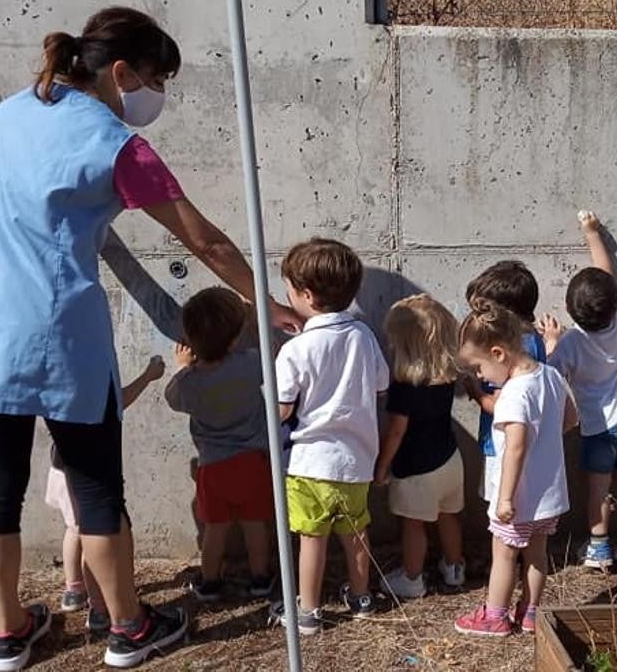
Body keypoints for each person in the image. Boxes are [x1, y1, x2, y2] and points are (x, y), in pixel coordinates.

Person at [0, 6, 301, 671]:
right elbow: (204, 239)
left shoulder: (11, 111)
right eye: (156, 78)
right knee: (97, 488)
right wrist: (264, 303)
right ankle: (129, 627)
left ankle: (9, 633)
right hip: (60, 337)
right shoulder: (114, 143)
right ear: (122, 71)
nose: (155, 95)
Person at [272, 239, 389, 635]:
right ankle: (361, 598)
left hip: (309, 462)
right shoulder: (364, 336)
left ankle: (308, 611)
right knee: (356, 533)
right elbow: (380, 386)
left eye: (288, 288)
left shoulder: (295, 349)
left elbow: (282, 408)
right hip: (357, 458)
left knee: (312, 537)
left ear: (305, 295)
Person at [454, 300, 576, 637]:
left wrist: (504, 498)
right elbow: (571, 419)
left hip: (518, 498)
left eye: (478, 368)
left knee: (505, 555)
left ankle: (495, 616)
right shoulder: (550, 375)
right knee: (537, 553)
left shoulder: (513, 394)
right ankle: (531, 612)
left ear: (498, 353)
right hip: (548, 494)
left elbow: (516, 447)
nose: (480, 376)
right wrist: (547, 440)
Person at [538, 211, 617, 569]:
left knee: (598, 487)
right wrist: (592, 232)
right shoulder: (615, 323)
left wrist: (551, 341)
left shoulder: (569, 344)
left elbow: (551, 376)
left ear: (570, 310)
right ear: (615, 305)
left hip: (596, 428)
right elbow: (605, 269)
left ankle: (599, 545)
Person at [164, 287, 276, 603]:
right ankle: (261, 578)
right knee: (256, 525)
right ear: (234, 338)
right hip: (253, 461)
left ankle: (210, 581)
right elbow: (267, 354)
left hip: (212, 466)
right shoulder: (252, 363)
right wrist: (251, 323)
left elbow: (172, 398)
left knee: (215, 529)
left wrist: (183, 367)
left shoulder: (189, 383)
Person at [45, 357, 165, 635]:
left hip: (61, 469)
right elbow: (120, 400)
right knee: (93, 531)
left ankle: (74, 589)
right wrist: (148, 376)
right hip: (83, 474)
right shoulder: (92, 374)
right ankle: (99, 607)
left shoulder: (59, 376)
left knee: (74, 529)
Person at [375, 294, 467, 599]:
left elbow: (396, 433)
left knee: (414, 525)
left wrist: (382, 467)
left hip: (417, 469)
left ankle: (412, 578)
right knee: (448, 515)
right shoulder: (446, 378)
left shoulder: (404, 388)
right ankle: (454, 567)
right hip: (450, 460)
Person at [462, 262, 549, 506]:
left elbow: (503, 406)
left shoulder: (514, 351)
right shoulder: (534, 340)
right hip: (531, 447)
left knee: (503, 510)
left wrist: (476, 392)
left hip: (503, 447)